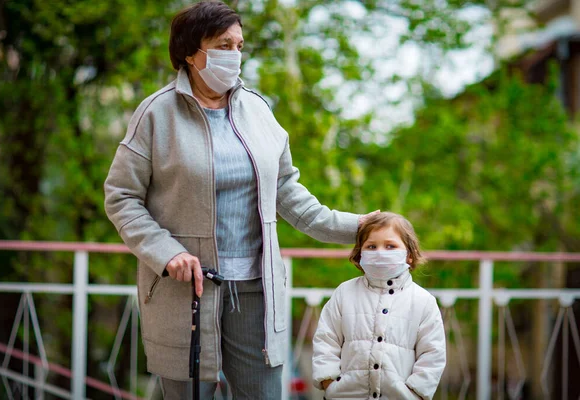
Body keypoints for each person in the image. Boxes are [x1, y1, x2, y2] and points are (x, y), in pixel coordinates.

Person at [103, 1, 378, 398]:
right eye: (222, 45)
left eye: (239, 45)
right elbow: (121, 197)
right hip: (187, 291)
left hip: (256, 289)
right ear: (189, 53)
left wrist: (360, 227)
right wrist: (166, 253)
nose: (234, 55)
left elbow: (288, 194)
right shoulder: (156, 114)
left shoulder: (259, 110)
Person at [312, 212, 446, 400]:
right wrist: (330, 383)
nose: (380, 252)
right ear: (360, 253)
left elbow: (432, 354)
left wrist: (415, 393)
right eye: (371, 246)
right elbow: (326, 340)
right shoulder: (344, 293)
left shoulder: (423, 301)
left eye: (390, 246)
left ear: (409, 254)